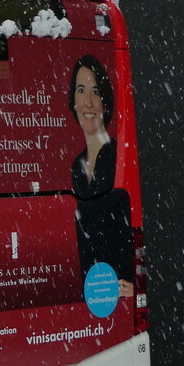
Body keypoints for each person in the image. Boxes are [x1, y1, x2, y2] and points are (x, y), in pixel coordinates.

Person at [68, 55, 133, 297]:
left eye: (95, 91)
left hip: (121, 297)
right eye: (81, 90)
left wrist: (138, 287)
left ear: (104, 100)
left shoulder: (121, 157)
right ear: (73, 100)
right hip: (94, 298)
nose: (87, 102)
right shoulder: (77, 166)